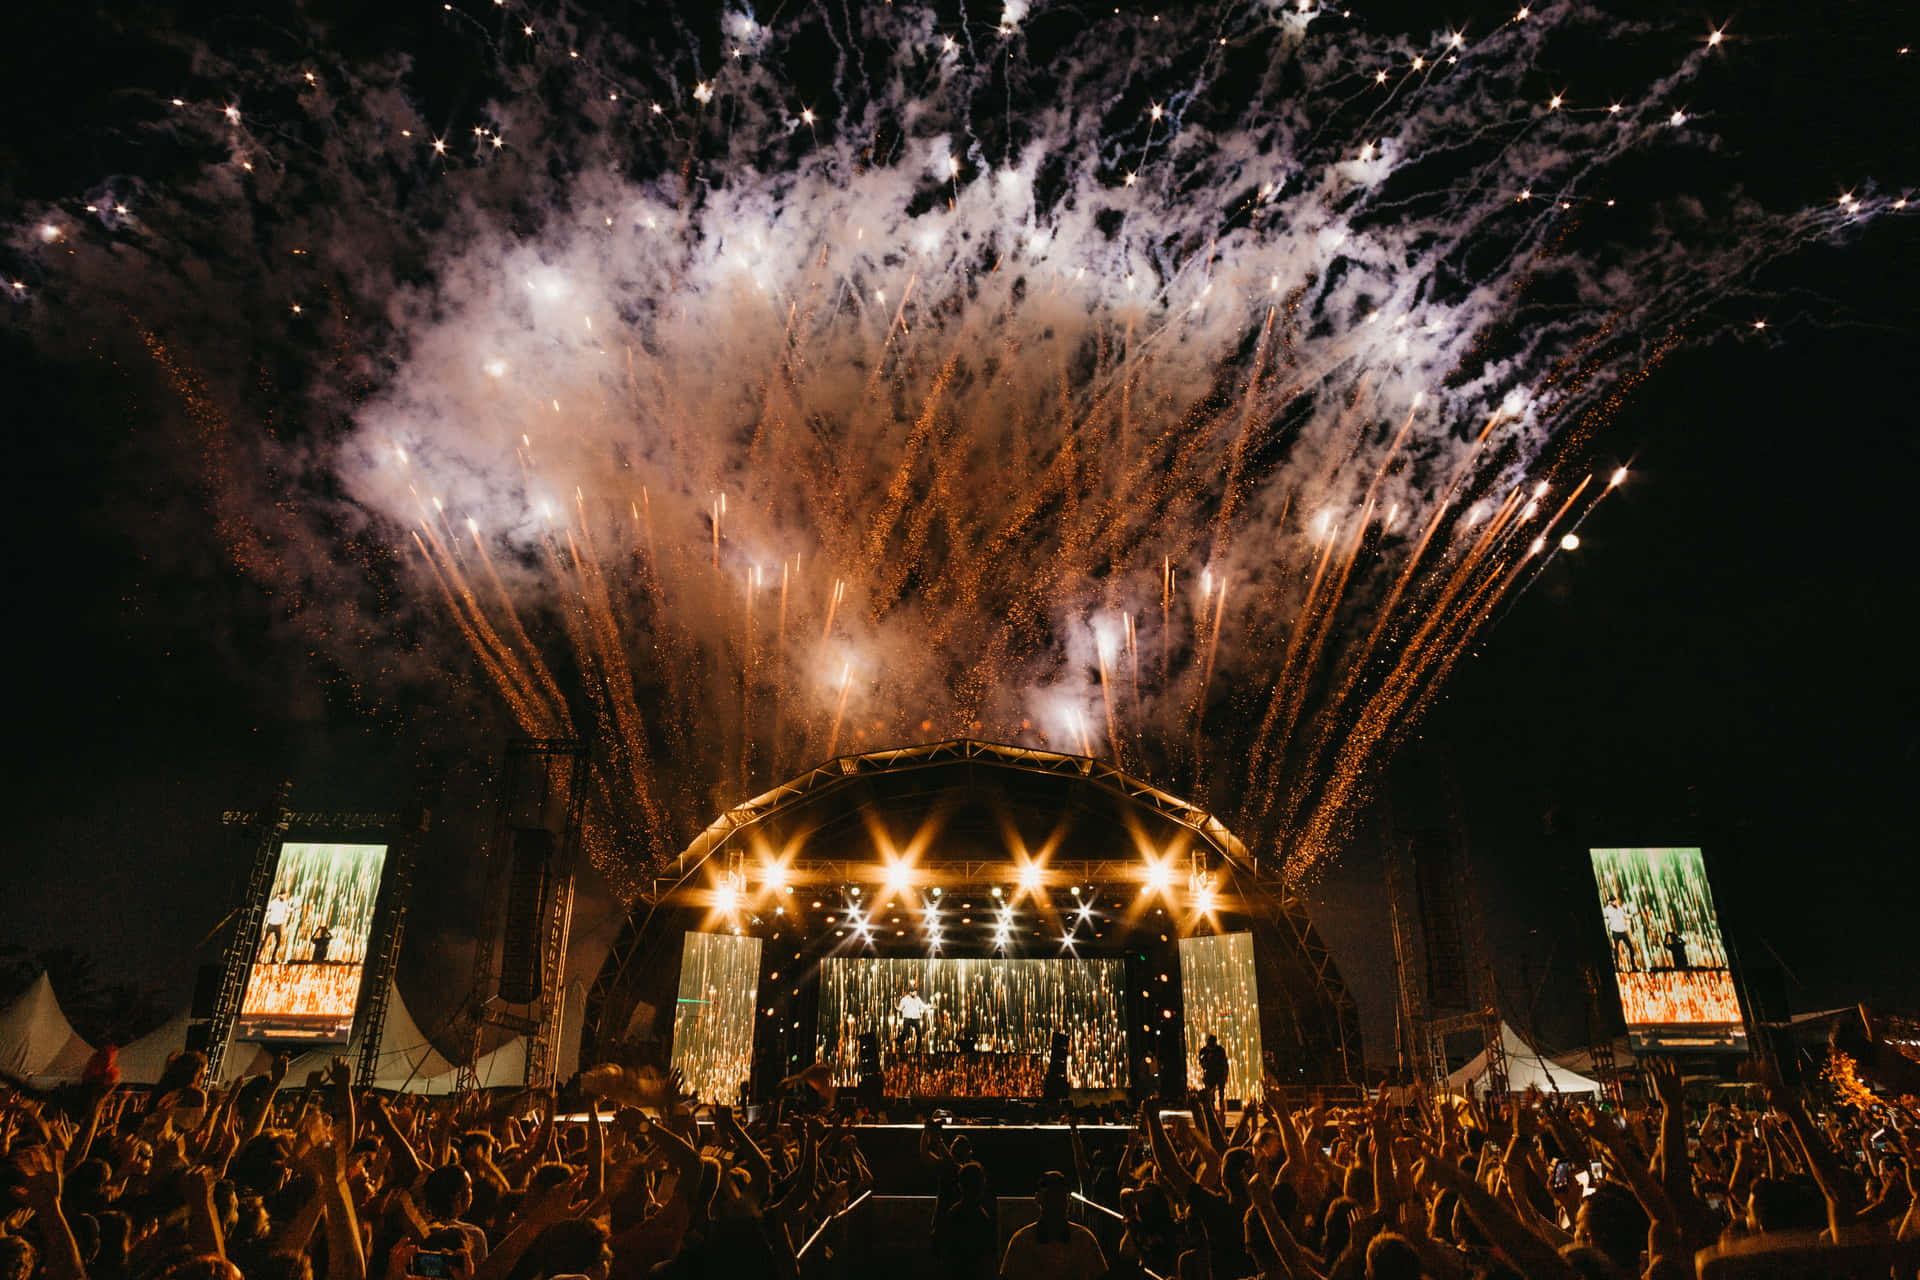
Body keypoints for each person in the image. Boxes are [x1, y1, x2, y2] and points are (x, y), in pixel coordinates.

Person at [998, 1170, 1105, 1280]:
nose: (1055, 1203)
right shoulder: (1084, 1239)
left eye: (1058, 1197)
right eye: (1051, 1197)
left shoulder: (1021, 1240)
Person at [262, 889, 298, 963]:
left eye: (285, 895)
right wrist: (269, 916)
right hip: (271, 923)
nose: (284, 897)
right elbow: (267, 909)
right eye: (283, 895)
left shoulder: (285, 902)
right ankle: (257, 956)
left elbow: (287, 910)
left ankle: (273, 958)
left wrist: (294, 909)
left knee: (278, 942)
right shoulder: (274, 902)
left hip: (278, 925)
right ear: (280, 895)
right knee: (265, 940)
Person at [1602, 895, 1636, 971]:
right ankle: (1617, 967)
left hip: (1623, 931)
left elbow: (1625, 915)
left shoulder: (1619, 908)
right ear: (1610, 902)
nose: (1615, 902)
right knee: (1616, 950)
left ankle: (1633, 966)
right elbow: (1604, 916)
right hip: (1615, 931)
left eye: (1615, 900)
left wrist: (1633, 915)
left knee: (1630, 948)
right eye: (1613, 901)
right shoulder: (1607, 910)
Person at [1198, 1032, 1229, 1113]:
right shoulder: (1205, 1051)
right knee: (1211, 1093)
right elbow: (1201, 1062)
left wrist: (1225, 1074)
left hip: (1219, 1074)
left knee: (1220, 1093)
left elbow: (1224, 1063)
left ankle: (1221, 1108)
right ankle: (1212, 1108)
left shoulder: (1220, 1050)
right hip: (1210, 1074)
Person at [898, 985, 929, 1054]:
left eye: (915, 992)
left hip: (916, 1018)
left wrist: (930, 1006)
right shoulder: (905, 999)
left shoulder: (918, 999)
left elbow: (923, 1006)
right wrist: (898, 1008)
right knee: (904, 1032)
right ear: (910, 992)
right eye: (913, 992)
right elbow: (900, 1007)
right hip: (907, 1018)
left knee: (919, 1034)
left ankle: (918, 1049)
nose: (914, 993)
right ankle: (900, 1044)